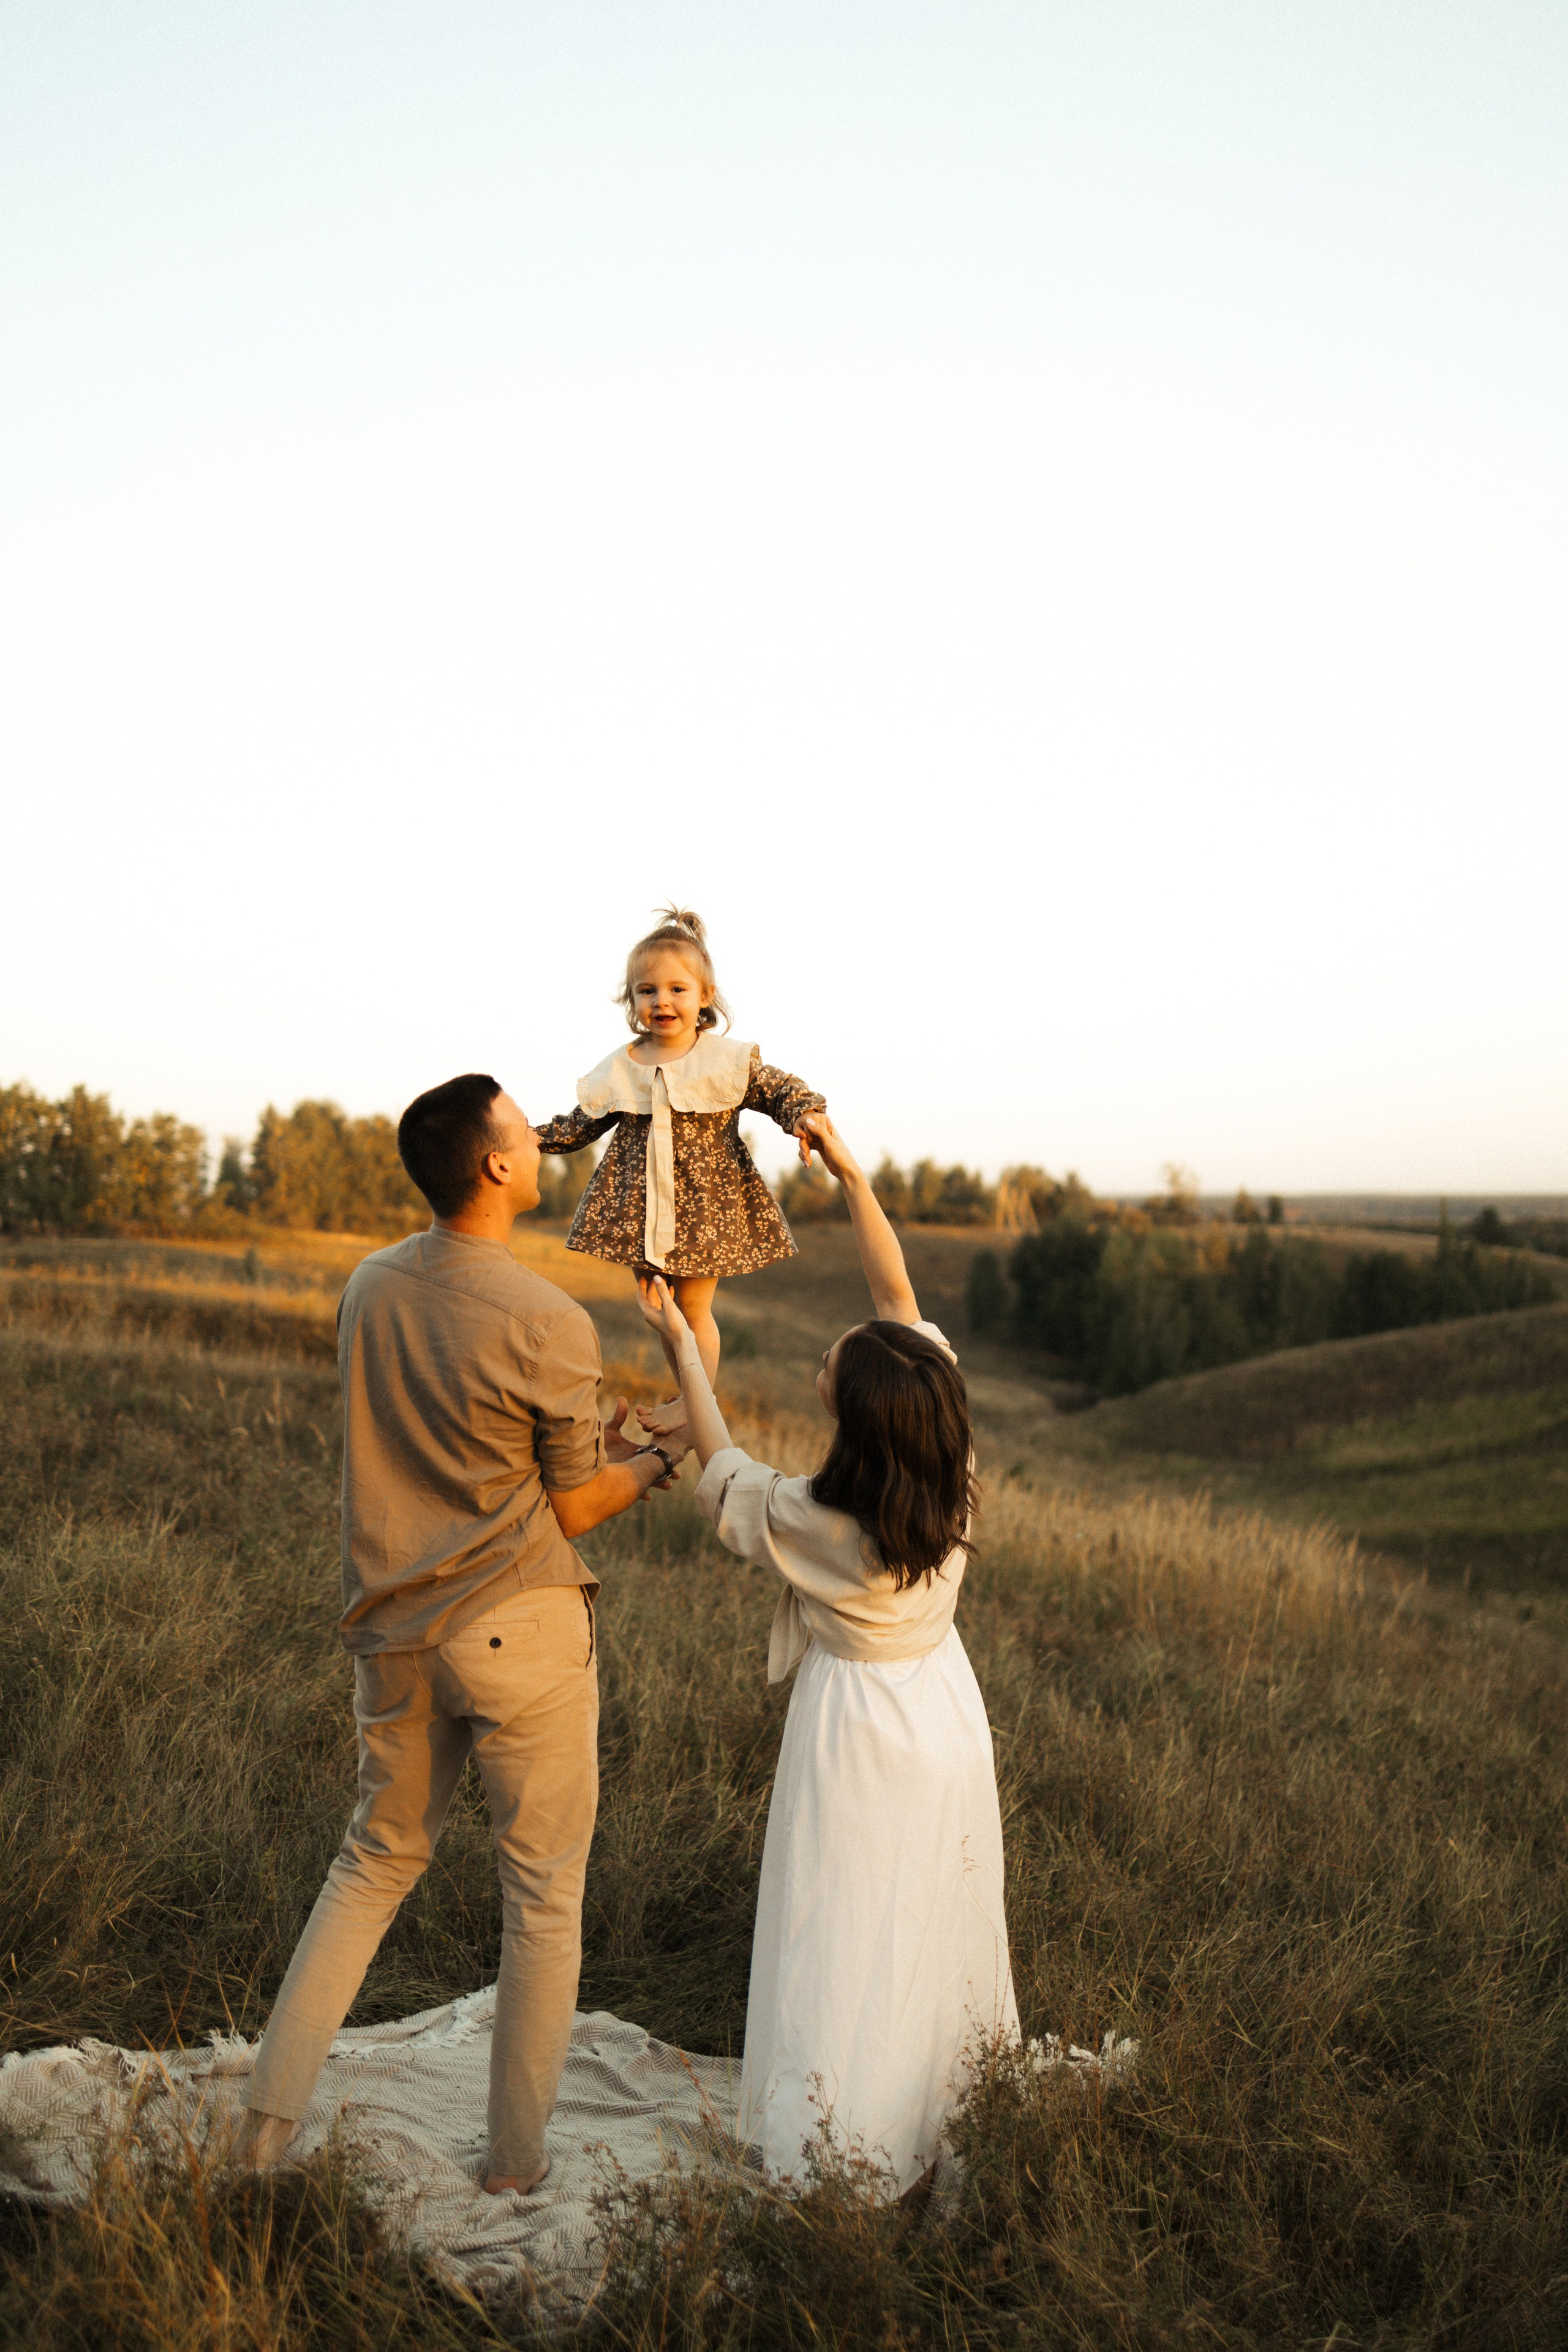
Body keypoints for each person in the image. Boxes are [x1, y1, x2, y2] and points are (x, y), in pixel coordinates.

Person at [239, 1074, 690, 2195]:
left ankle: (257, 2137)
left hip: (392, 1632)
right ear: (493, 1166)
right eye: (520, 1132)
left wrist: (595, 1448)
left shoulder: (370, 1285)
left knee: (370, 1866)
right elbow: (577, 1505)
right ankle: (514, 2171)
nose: (540, 1141)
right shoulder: (549, 1316)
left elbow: (459, 1440)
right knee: (542, 1901)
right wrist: (660, 1459)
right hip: (516, 1629)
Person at [636, 1113, 1017, 2195]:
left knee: (845, 1915)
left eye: (829, 1365)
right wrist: (853, 1177)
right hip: (941, 1707)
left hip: (856, 1722)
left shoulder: (820, 1514)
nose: (827, 1352)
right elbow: (898, 1307)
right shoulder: (950, 1457)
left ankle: (836, 2138)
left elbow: (720, 1469)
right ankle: (930, 2100)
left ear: (856, 1416)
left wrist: (679, 1348)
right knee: (929, 1907)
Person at [537, 906, 825, 1404]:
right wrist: (531, 1138)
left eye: (677, 989)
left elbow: (780, 1089)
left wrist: (802, 1115)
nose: (661, 1002)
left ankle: (698, 1408)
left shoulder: (725, 1061)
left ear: (704, 997)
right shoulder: (622, 1067)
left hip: (705, 1209)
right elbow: (581, 1123)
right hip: (637, 1210)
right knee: (663, 1314)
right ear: (632, 1000)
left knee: (694, 1311)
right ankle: (685, 1396)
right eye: (647, 991)